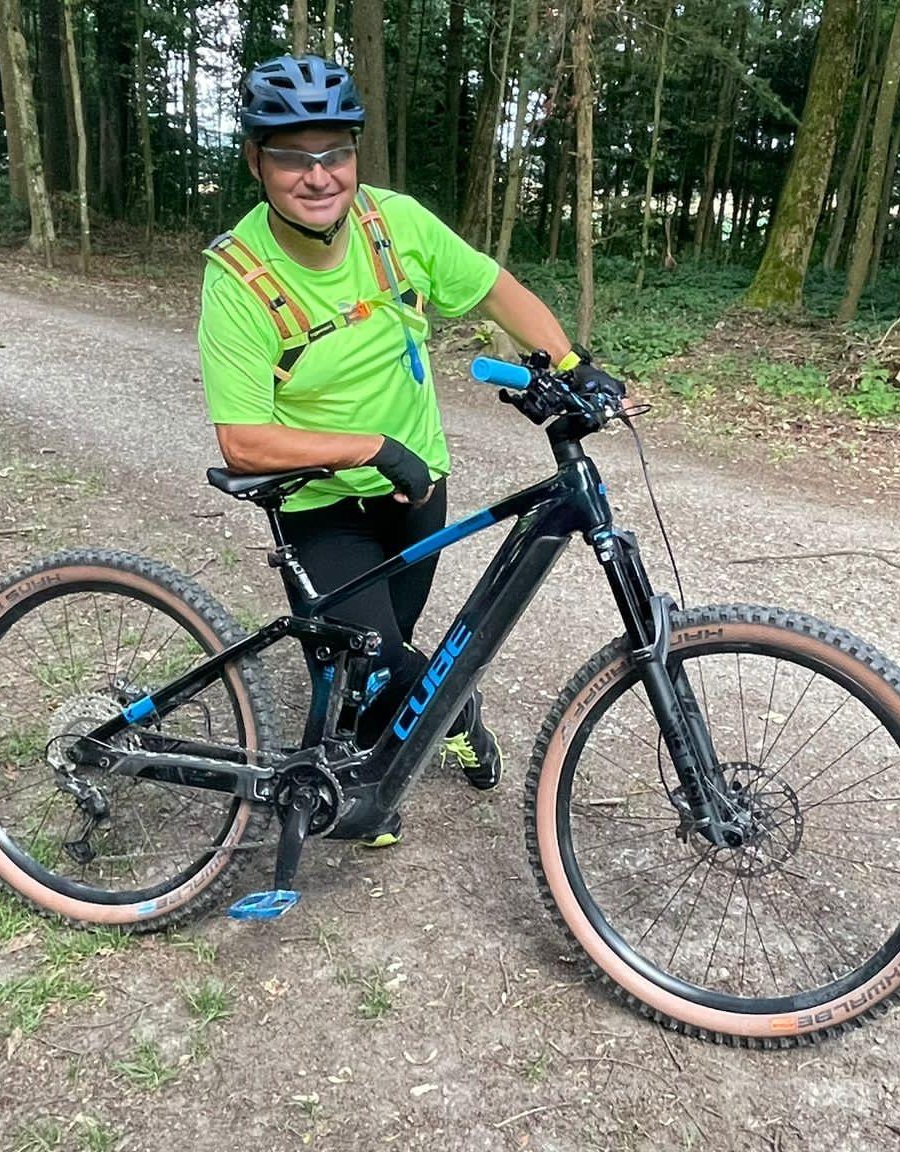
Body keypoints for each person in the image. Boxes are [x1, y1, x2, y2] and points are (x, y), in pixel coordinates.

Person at [196, 55, 618, 843]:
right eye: (292, 156)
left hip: (417, 486)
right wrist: (368, 447)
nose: (318, 175)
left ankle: (389, 737)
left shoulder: (394, 224)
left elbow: (494, 288)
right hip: (319, 501)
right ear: (256, 161)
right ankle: (427, 739)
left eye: (335, 152)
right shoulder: (239, 278)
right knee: (375, 658)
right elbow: (243, 440)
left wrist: (569, 363)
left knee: (388, 647)